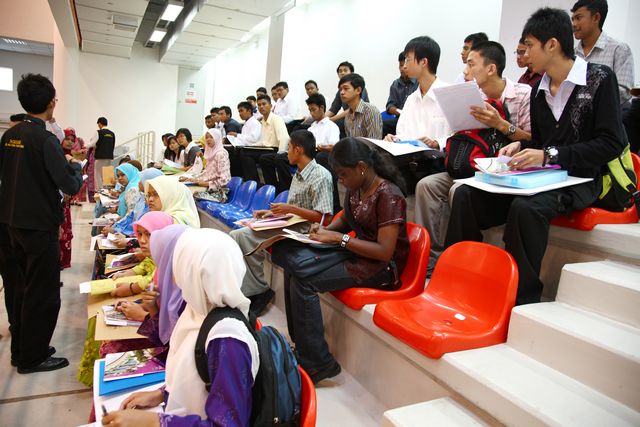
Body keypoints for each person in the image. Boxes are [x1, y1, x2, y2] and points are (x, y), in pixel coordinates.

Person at [445, 7, 627, 305]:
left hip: (582, 178)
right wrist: (519, 147)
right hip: (544, 177)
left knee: (526, 208)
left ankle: (521, 299)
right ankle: (460, 280)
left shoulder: (598, 79)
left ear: (552, 44)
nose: (524, 53)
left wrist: (548, 155)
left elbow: (611, 143)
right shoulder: (538, 90)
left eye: (529, 45)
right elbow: (542, 142)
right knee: (466, 195)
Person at [272, 137, 408, 384]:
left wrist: (338, 238)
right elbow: (346, 219)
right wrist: (324, 232)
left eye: (343, 175)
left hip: (382, 267)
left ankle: (318, 363)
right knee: (293, 267)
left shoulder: (389, 196)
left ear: (361, 167)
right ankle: (303, 347)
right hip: (358, 253)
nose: (340, 180)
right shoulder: (358, 187)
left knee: (305, 280)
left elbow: (384, 252)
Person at [102, 229, 259, 427]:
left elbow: (229, 423)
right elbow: (195, 378)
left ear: (193, 271)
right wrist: (161, 394)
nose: (172, 274)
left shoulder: (227, 339)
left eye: (178, 263)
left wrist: (156, 422)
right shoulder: (196, 310)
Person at [415, 40, 532, 276]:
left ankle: (459, 262)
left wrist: (500, 124)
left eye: (471, 64)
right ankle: (429, 258)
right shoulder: (471, 95)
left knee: (459, 190)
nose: (466, 70)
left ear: (491, 68)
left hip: (502, 170)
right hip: (468, 164)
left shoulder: (523, 94)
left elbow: (532, 139)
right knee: (426, 185)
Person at [0, 73, 83, 373]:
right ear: (50, 103)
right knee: (42, 292)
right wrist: (76, 168)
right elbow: (69, 184)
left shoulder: (9, 136)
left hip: (9, 223)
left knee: (18, 287)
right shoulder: (45, 140)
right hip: (38, 225)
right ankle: (32, 357)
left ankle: (21, 350)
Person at [230, 130, 333, 315]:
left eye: (289, 147)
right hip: (290, 222)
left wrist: (289, 209)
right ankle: (252, 287)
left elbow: (324, 217)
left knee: (241, 237)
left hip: (303, 230)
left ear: (299, 150)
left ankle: (258, 290)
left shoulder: (321, 175)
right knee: (237, 234)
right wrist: (271, 213)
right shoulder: (299, 173)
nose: (287, 152)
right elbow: (293, 209)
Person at [571, 0, 634, 105]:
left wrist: (587, 99)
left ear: (596, 18)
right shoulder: (572, 54)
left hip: (606, 113)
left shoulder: (619, 49)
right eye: (573, 19)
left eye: (578, 18)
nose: (574, 24)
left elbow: (623, 92)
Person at [239, 94, 289, 183]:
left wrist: (280, 155)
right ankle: (251, 182)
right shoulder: (263, 121)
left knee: (247, 153)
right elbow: (263, 141)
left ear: (270, 106)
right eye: (259, 105)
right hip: (266, 149)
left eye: (264, 104)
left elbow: (284, 138)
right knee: (243, 150)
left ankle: (254, 183)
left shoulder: (276, 119)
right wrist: (251, 147)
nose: (261, 106)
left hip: (275, 150)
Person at [306, 93, 342, 214]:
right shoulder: (311, 128)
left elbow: (334, 147)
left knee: (320, 157)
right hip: (312, 155)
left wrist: (322, 147)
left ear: (322, 108)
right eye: (310, 110)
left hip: (326, 156)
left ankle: (334, 206)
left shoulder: (331, 126)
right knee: (281, 158)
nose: (311, 113)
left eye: (314, 109)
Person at [384, 51, 419, 135]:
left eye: (404, 65)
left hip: (415, 119)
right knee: (383, 125)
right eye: (400, 65)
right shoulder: (395, 84)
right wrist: (401, 112)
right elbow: (389, 106)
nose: (402, 68)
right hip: (400, 119)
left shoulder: (418, 82)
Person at [340, 73, 383, 139]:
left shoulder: (370, 111)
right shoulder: (348, 116)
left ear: (358, 90)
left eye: (346, 88)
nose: (342, 92)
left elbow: (374, 141)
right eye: (340, 89)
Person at [226, 101, 262, 176]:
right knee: (228, 151)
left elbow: (253, 139)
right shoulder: (246, 124)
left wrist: (237, 135)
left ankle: (244, 178)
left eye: (242, 111)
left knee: (237, 153)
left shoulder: (255, 123)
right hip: (245, 147)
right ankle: (235, 178)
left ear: (249, 111)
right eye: (239, 111)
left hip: (254, 149)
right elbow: (244, 139)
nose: (240, 113)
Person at [87, 116, 115, 191]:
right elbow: (112, 145)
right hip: (109, 158)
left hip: (100, 158)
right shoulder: (112, 134)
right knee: (107, 175)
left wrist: (84, 147)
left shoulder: (98, 132)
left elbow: (92, 143)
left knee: (98, 175)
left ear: (99, 123)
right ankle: (108, 191)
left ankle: (99, 192)